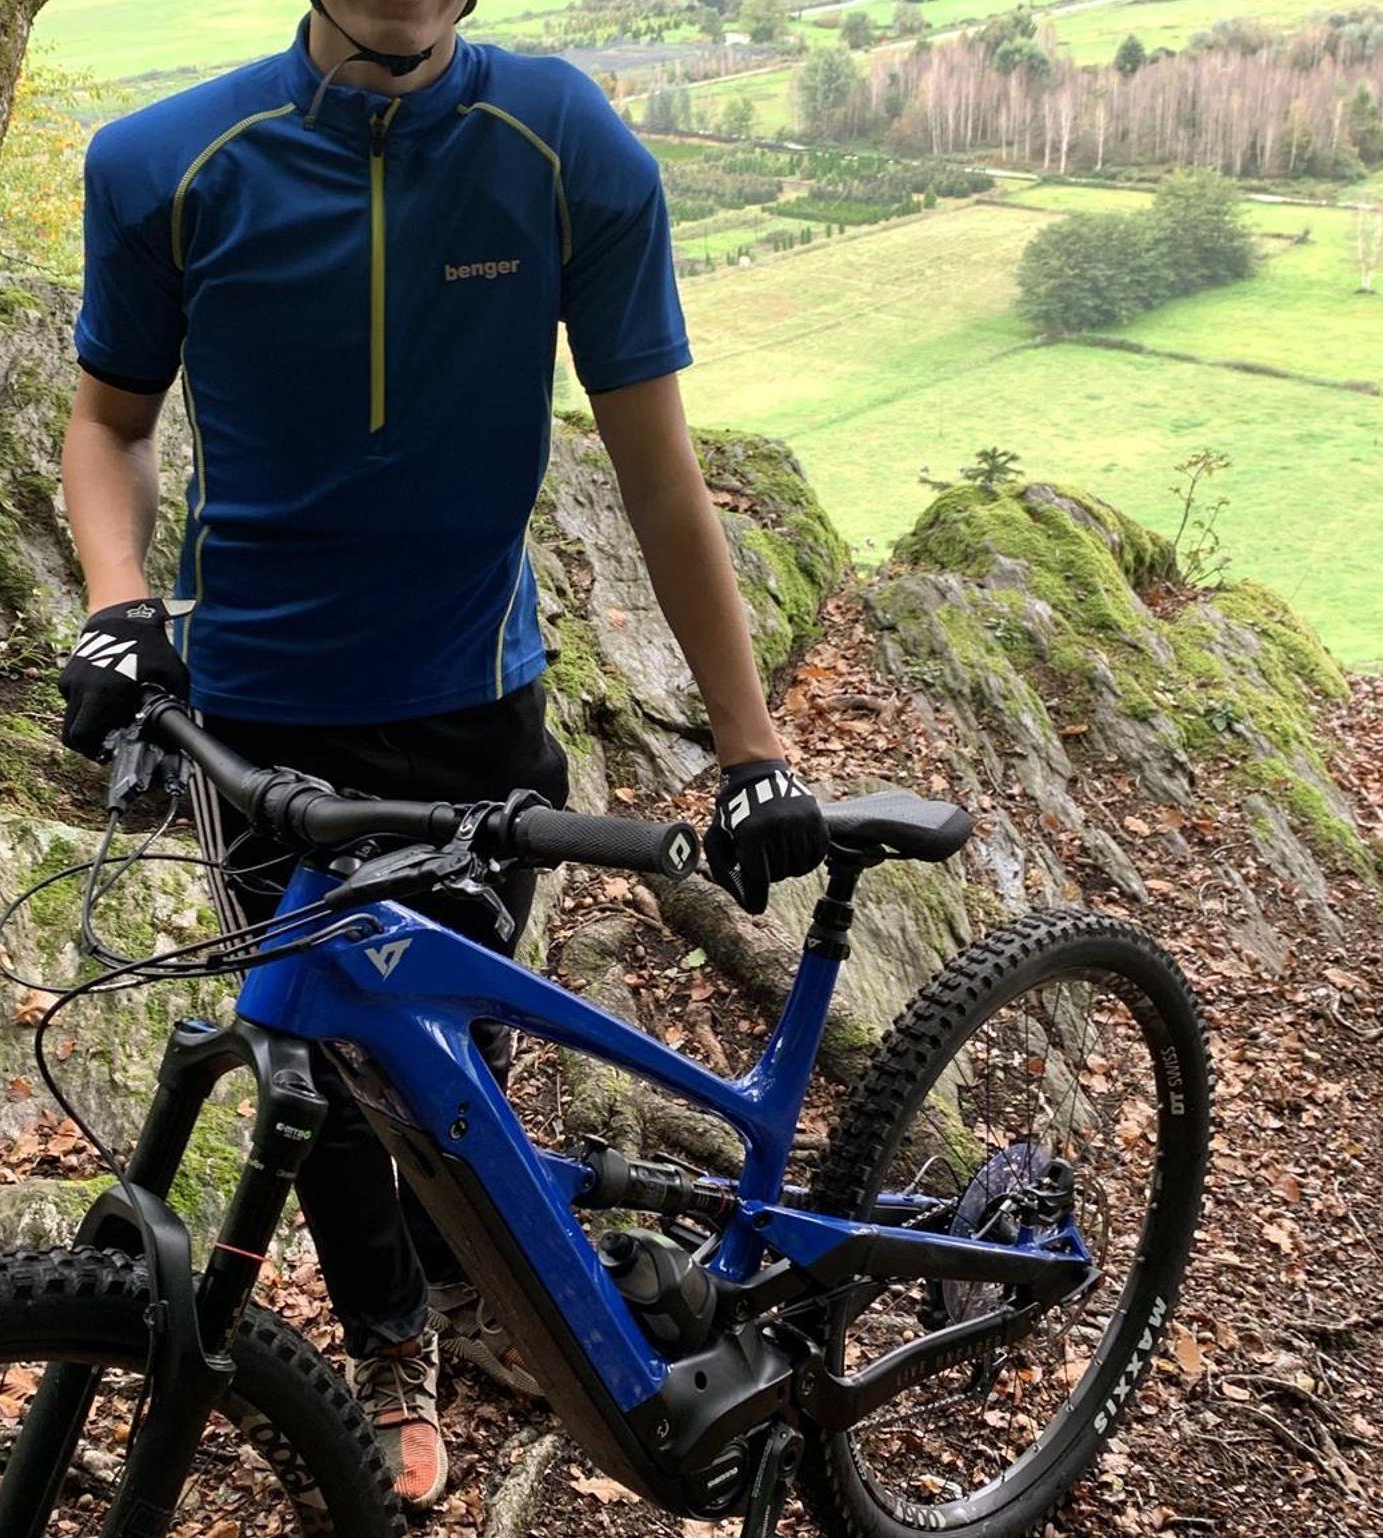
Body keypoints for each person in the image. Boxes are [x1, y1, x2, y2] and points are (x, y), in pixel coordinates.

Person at [56, 0, 828, 1509]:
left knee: (448, 1049)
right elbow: (108, 422)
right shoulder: (167, 163)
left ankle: (479, 1281)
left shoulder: (561, 145)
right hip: (257, 719)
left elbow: (659, 475)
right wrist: (118, 603)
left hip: (471, 712)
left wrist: (751, 745)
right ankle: (392, 1338)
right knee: (325, 1068)